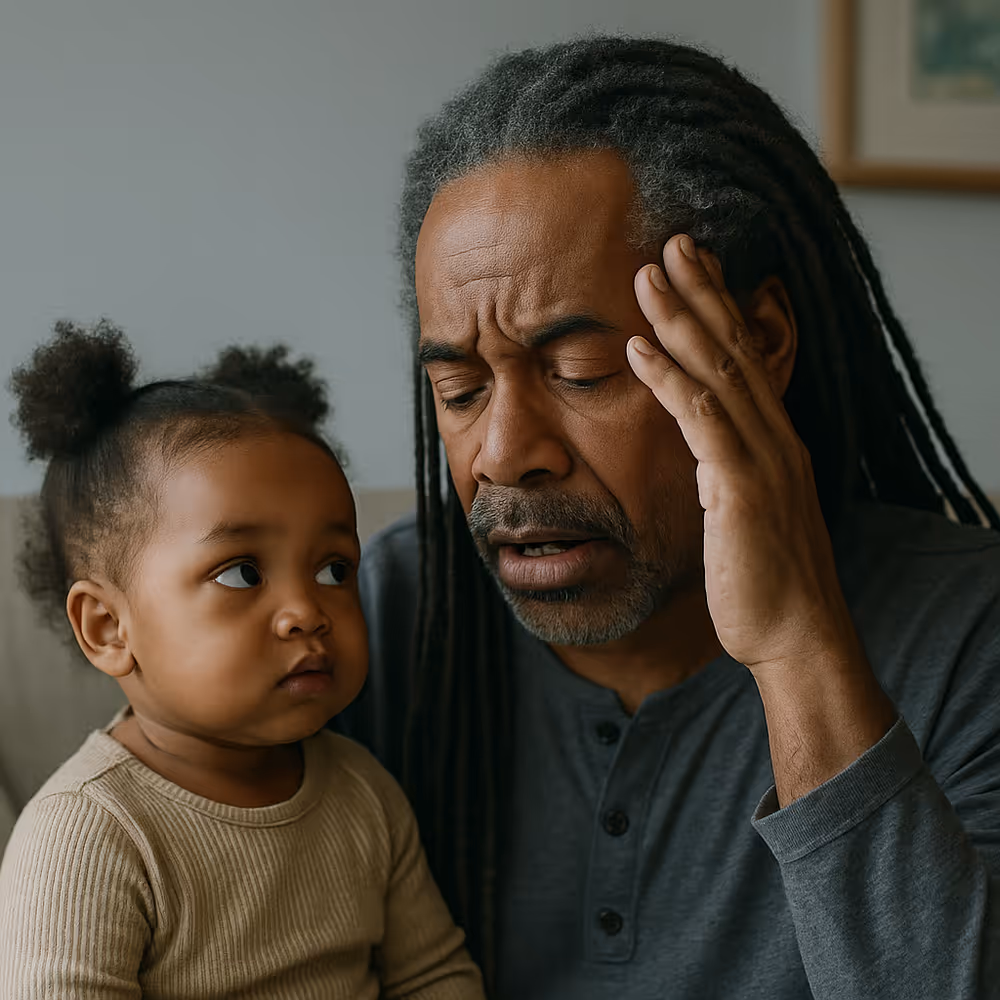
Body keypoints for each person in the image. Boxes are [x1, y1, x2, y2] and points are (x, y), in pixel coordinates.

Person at [336, 36, 1000, 999]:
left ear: (757, 342)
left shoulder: (971, 635)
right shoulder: (378, 621)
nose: (503, 451)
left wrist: (796, 645)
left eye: (580, 372)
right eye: (459, 387)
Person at [0, 322, 484, 999]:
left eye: (334, 568)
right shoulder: (89, 834)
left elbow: (433, 974)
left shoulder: (363, 793)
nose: (307, 611)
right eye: (241, 574)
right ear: (109, 627)